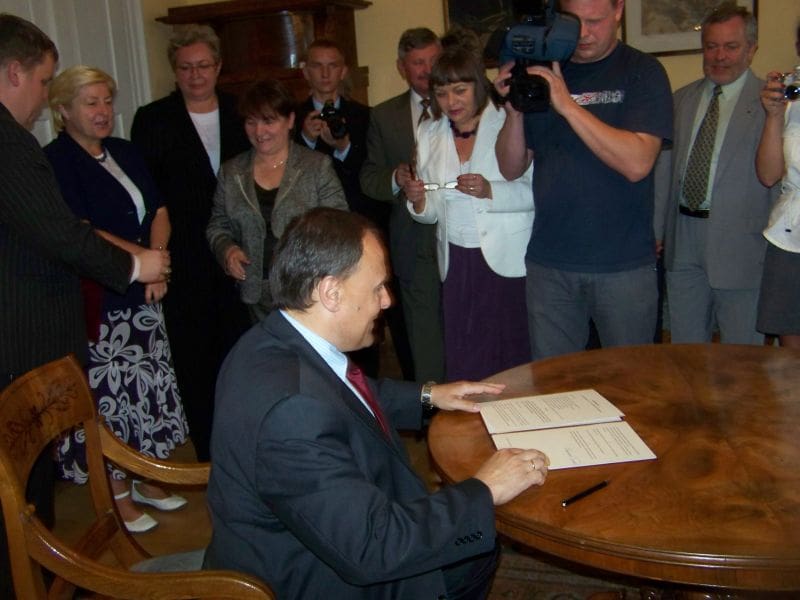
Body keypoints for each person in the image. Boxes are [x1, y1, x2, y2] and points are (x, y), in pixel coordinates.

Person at [204, 207, 549, 599]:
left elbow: (347, 393)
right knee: (475, 546)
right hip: (312, 580)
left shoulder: (271, 340)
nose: (386, 301)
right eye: (377, 288)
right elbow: (372, 547)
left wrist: (430, 395)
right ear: (331, 293)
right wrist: (485, 489)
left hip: (311, 539)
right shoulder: (294, 414)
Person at [0, 13, 168, 597]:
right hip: (21, 341)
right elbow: (61, 231)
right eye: (44, 81)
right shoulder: (11, 141)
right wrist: (135, 266)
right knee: (24, 487)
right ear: (14, 72)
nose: (43, 95)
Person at [44, 65, 189, 534]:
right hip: (100, 299)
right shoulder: (56, 161)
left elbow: (159, 209)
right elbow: (83, 230)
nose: (103, 111)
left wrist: (158, 260)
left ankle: (145, 476)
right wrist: (144, 260)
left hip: (145, 291)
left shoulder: (124, 150)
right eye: (91, 103)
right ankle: (116, 493)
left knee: (145, 391)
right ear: (63, 110)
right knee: (110, 399)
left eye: (107, 101)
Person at [495, 0, 673, 361]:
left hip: (623, 265)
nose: (584, 34)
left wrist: (568, 105)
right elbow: (511, 167)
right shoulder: (543, 68)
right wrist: (514, 111)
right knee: (556, 382)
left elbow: (638, 162)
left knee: (631, 381)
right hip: (550, 264)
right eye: (575, 23)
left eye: (595, 21)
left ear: (618, 10)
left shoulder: (643, 71)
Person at [130, 24, 251, 463]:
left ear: (218, 67)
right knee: (196, 361)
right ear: (174, 70)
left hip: (242, 256)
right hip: (184, 260)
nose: (195, 75)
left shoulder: (242, 111)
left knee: (244, 357)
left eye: (203, 66)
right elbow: (148, 195)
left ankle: (249, 448)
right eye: (185, 68)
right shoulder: (152, 119)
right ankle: (209, 457)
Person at [404, 40, 533, 381]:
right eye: (442, 93)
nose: (451, 102)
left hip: (506, 261)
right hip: (457, 263)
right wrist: (417, 199)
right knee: (466, 358)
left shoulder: (508, 118)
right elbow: (431, 211)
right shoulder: (429, 131)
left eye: (460, 90)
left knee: (512, 359)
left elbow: (534, 193)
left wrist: (490, 190)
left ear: (478, 84)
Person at [654, 2, 778, 345]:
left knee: (743, 359)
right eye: (711, 46)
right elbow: (664, 171)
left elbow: (777, 181)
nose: (719, 56)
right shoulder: (681, 100)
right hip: (683, 239)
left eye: (731, 46)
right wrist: (656, 230)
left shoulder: (771, 104)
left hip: (743, 246)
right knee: (686, 353)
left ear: (751, 50)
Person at [295, 38, 404, 378]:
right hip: (313, 234)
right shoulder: (292, 118)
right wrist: (306, 139)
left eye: (332, 66)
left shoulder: (366, 116)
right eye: (317, 66)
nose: (325, 73)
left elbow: (370, 177)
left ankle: (368, 388)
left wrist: (344, 147)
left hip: (359, 227)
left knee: (365, 314)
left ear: (343, 71)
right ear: (305, 71)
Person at [206, 78, 347, 322]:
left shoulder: (316, 166)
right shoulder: (231, 172)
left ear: (290, 120)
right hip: (254, 297)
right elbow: (217, 226)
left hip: (310, 292)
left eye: (269, 121)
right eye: (251, 122)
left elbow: (340, 223)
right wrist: (227, 250)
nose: (259, 132)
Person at [360, 27, 446, 383]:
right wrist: (395, 177)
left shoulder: (463, 104)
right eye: (418, 63)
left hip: (465, 238)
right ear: (402, 68)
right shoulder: (384, 116)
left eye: (434, 60)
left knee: (472, 334)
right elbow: (368, 178)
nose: (427, 70)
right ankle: (434, 413)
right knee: (425, 345)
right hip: (413, 245)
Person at [754, 30, 800, 347]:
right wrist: (773, 115)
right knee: (789, 361)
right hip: (789, 237)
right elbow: (768, 175)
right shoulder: (790, 95)